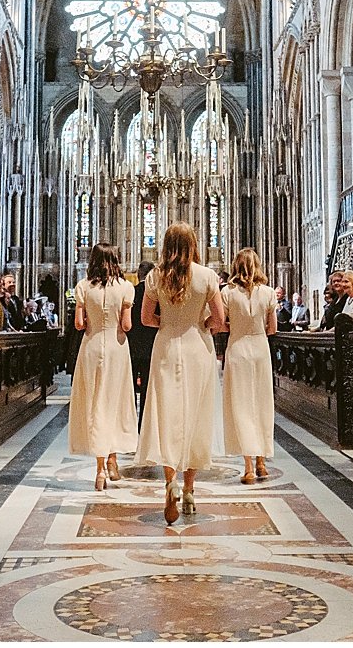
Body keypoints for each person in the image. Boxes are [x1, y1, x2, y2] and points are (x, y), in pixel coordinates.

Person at [135, 222, 227, 524]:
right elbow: (220, 320)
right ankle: (189, 489)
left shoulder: (154, 277)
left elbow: (146, 319)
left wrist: (168, 321)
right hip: (198, 349)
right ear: (194, 244)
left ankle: (170, 482)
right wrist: (200, 322)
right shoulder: (207, 276)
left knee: (167, 416)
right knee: (195, 418)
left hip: (165, 349)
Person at [70, 243, 138, 490]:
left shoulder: (83, 287)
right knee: (114, 403)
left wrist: (91, 317)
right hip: (117, 349)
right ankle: (112, 460)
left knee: (95, 403)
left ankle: (99, 470)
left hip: (91, 346)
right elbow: (127, 326)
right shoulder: (126, 288)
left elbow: (79, 324)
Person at [222, 247, 276, 484]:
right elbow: (272, 328)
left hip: (237, 350)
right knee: (262, 404)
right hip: (260, 350)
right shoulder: (268, 293)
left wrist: (236, 327)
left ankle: (248, 468)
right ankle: (262, 463)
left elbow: (220, 325)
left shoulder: (227, 293)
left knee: (242, 406)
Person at [127, 261, 157, 427]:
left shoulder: (131, 292)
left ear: (138, 276)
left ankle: (129, 425)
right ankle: (143, 425)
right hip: (151, 346)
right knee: (147, 388)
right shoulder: (156, 295)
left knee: (129, 387)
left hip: (131, 346)